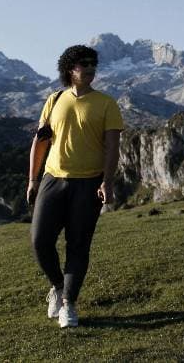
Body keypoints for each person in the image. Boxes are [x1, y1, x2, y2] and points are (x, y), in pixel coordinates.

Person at [27, 45, 124, 329]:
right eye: (84, 64)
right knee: (40, 240)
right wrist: (33, 179)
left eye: (93, 64)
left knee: (78, 244)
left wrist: (107, 181)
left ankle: (69, 304)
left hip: (89, 183)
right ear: (70, 69)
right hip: (53, 179)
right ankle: (57, 287)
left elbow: (112, 149)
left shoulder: (107, 103)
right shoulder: (55, 99)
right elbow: (41, 140)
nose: (90, 68)